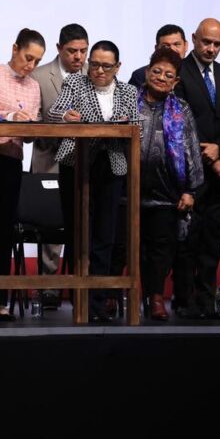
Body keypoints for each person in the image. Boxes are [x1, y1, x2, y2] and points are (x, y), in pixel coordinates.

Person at [48, 40, 138, 321]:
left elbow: (137, 127)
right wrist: (66, 115)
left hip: (111, 165)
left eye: (106, 66)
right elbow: (54, 112)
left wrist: (126, 124)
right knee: (78, 232)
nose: (98, 70)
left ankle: (98, 301)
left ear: (118, 67)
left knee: (105, 234)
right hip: (76, 162)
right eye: (94, 64)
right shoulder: (75, 82)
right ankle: (80, 301)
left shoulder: (128, 91)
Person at [0, 28, 46, 321]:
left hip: (13, 160)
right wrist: (13, 116)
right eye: (28, 57)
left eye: (37, 61)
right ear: (15, 48)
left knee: (4, 230)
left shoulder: (34, 86)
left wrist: (32, 128)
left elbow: (30, 132)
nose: (31, 65)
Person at [172, 18, 220, 318]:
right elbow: (181, 124)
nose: (211, 48)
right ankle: (184, 300)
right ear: (194, 39)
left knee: (213, 239)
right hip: (189, 172)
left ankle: (206, 300)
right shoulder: (179, 72)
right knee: (188, 240)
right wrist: (212, 156)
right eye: (206, 42)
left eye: (217, 44)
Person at [134, 47, 203, 320]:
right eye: (157, 71)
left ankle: (155, 298)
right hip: (128, 190)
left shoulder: (181, 109)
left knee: (160, 249)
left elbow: (192, 150)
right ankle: (113, 297)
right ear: (147, 72)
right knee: (122, 247)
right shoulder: (128, 101)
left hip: (165, 193)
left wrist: (190, 190)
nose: (161, 77)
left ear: (176, 81)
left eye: (168, 75)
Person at [31, 23, 89, 309]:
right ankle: (49, 287)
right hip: (50, 160)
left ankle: (83, 286)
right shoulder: (40, 76)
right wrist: (60, 124)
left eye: (83, 51)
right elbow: (33, 120)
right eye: (72, 51)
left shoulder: (96, 74)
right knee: (51, 228)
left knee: (85, 225)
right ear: (59, 49)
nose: (78, 57)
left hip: (87, 163)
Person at [127, 23, 188, 88]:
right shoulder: (140, 75)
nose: (172, 49)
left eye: (177, 44)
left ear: (186, 46)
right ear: (156, 48)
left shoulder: (194, 71)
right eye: (165, 46)